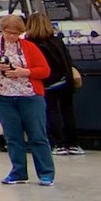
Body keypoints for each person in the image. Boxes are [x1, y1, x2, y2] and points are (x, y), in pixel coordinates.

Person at [0, 14, 55, 186]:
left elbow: (45, 70)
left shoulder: (29, 47)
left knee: (37, 136)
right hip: (4, 98)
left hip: (30, 96)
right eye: (9, 33)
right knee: (13, 137)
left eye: (16, 33)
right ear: (2, 30)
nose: (12, 37)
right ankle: (18, 172)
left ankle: (46, 173)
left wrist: (24, 72)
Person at [22, 9, 83, 157]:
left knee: (51, 112)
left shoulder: (28, 44)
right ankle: (73, 144)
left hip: (46, 83)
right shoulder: (56, 40)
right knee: (68, 111)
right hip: (64, 81)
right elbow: (67, 60)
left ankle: (59, 143)